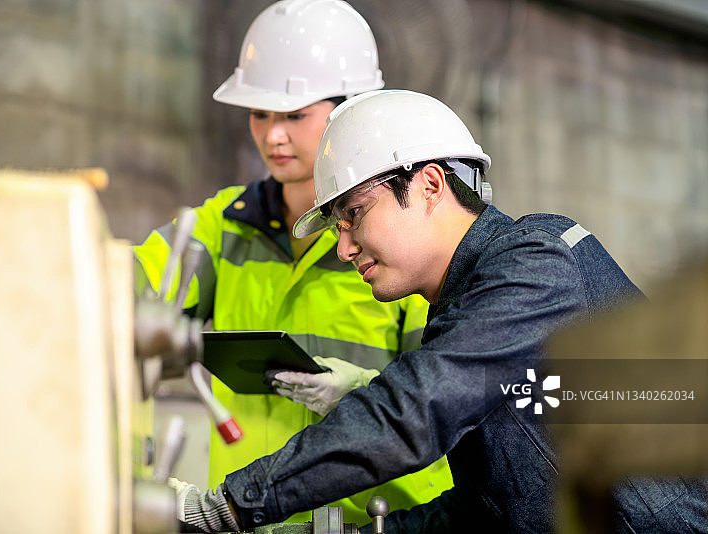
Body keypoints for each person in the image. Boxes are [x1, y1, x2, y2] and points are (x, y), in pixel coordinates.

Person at [172, 89, 708, 533]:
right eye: (337, 226)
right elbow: (491, 508)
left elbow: (412, 412)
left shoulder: (539, 262)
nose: (344, 248)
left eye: (354, 214)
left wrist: (232, 505)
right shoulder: (462, 311)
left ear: (429, 186)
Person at [133, 2, 453, 525]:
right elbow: (124, 288)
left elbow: (444, 410)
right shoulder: (224, 226)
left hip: (370, 523)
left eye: (294, 116)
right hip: (243, 517)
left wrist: (362, 397)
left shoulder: (403, 245)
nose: (272, 136)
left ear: (351, 110)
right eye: (260, 114)